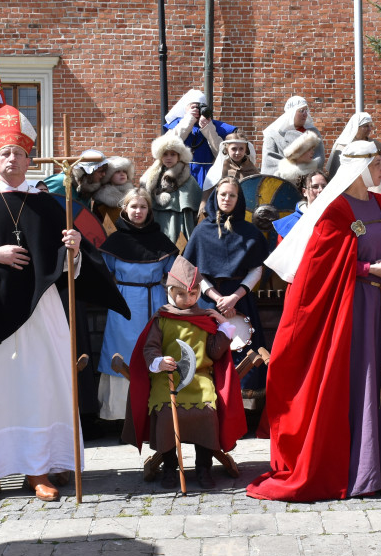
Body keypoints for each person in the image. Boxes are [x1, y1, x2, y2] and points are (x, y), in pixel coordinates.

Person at [0, 106, 127, 508]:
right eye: (5, 154)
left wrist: (75, 251)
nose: (12, 159)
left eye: (19, 153)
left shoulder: (50, 204)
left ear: (30, 159)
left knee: (40, 384)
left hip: (42, 309)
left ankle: (39, 469)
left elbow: (71, 269)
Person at [249, 140, 381, 502]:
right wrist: (368, 268)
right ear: (361, 166)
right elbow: (318, 269)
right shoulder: (335, 210)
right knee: (361, 382)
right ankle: (359, 471)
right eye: (378, 164)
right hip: (352, 310)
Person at [122, 256, 246, 490]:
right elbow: (150, 348)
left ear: (198, 293)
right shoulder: (162, 319)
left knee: (207, 414)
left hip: (199, 379)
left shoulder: (205, 319)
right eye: (181, 294)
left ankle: (203, 467)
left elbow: (215, 353)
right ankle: (170, 467)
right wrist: (159, 361)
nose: (187, 299)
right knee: (168, 414)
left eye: (192, 294)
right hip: (166, 379)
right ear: (171, 292)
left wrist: (223, 326)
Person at [183, 178, 270, 395]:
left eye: (232, 195)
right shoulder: (202, 231)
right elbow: (194, 270)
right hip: (208, 302)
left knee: (244, 358)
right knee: (209, 353)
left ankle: (241, 410)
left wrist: (234, 298)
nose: (227, 199)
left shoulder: (250, 232)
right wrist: (217, 297)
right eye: (223, 194)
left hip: (240, 301)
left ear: (238, 199)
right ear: (216, 197)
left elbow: (256, 269)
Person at [97, 188, 178, 420]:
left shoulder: (161, 241)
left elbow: (174, 276)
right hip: (125, 306)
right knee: (124, 351)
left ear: (149, 211)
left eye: (143, 207)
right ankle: (120, 414)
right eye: (133, 206)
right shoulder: (114, 242)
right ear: (124, 209)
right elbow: (103, 274)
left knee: (155, 351)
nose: (138, 211)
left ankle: (156, 410)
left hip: (155, 303)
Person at [164, 89, 238, 188]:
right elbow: (168, 146)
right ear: (186, 109)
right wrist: (188, 121)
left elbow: (222, 154)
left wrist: (209, 129)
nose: (197, 110)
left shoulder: (216, 127)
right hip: (181, 173)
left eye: (200, 107)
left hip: (209, 174)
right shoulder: (177, 125)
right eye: (193, 107)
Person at [140, 132, 202, 246]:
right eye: (165, 154)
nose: (169, 157)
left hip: (180, 224)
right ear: (160, 156)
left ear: (179, 156)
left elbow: (198, 207)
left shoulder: (188, 179)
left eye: (173, 154)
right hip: (156, 223)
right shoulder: (151, 178)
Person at [261, 96, 325, 175]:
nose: (305, 114)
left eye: (306, 110)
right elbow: (269, 162)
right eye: (301, 111)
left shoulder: (313, 133)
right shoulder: (273, 135)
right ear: (292, 112)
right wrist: (292, 172)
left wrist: (304, 172)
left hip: (309, 180)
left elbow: (319, 159)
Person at [272, 170, 328, 241]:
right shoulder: (288, 224)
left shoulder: (337, 218)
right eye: (315, 187)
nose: (321, 190)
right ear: (304, 192)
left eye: (324, 186)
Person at [44, 149, 109, 205]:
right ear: (87, 172)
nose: (104, 174)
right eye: (100, 171)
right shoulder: (59, 182)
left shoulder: (86, 189)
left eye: (105, 171)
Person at [91, 156, 135, 225]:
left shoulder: (134, 193)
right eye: (117, 172)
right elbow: (97, 223)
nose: (122, 174)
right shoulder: (102, 197)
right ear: (109, 176)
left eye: (124, 171)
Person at [326, 112, 373, 177]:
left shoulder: (372, 145)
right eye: (366, 126)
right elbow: (335, 173)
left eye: (371, 126)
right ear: (356, 127)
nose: (370, 129)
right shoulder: (342, 147)